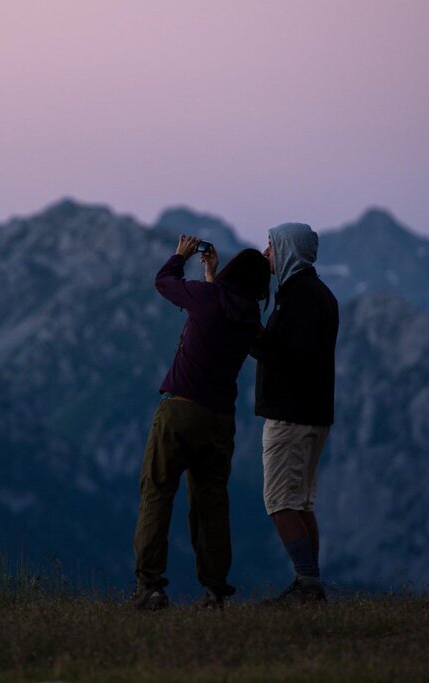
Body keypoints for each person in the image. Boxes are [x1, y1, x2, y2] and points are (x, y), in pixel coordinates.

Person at [131, 236, 271, 610]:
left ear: (231, 271)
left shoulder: (208, 300)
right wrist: (211, 276)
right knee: (211, 504)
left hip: (180, 409)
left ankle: (151, 587)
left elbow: (164, 283)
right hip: (220, 420)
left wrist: (180, 257)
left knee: (157, 493)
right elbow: (226, 311)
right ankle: (215, 589)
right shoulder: (250, 317)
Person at [249, 222, 338, 603]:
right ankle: (309, 583)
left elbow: (280, 354)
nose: (267, 252)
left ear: (287, 250)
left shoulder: (299, 298)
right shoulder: (317, 294)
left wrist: (247, 329)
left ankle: (308, 583)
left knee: (281, 502)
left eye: (271, 246)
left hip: (291, 416)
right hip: (314, 415)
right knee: (301, 502)